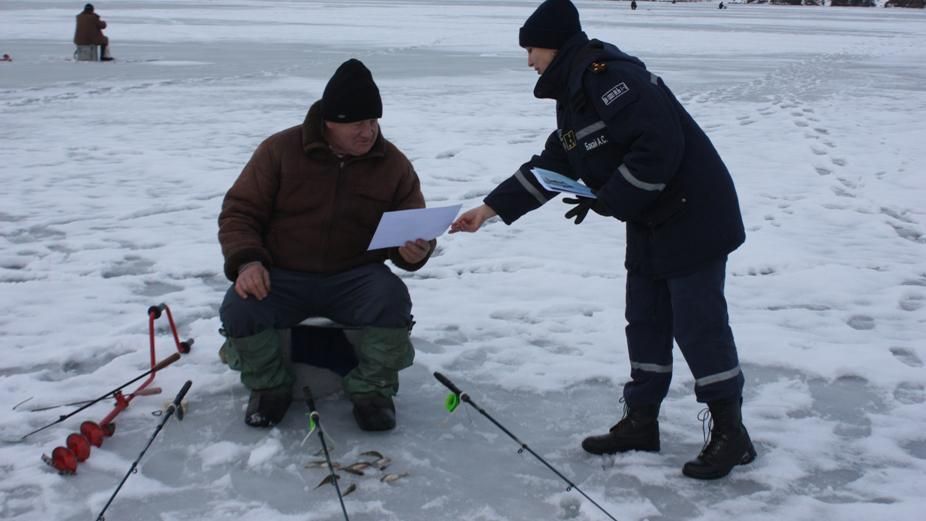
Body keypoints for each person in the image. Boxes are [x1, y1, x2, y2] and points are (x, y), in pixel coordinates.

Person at [450, 0, 755, 480]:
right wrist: (488, 211)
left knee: (699, 325)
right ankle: (642, 421)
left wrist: (612, 198)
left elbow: (659, 146)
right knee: (645, 319)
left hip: (694, 215)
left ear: (553, 44)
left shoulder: (611, 79)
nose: (528, 60)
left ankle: (731, 433)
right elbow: (556, 163)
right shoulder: (574, 95)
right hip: (653, 217)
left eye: (531, 49)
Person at [218, 58, 436, 432]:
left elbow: (410, 223)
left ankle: (372, 392)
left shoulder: (392, 164)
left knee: (392, 299)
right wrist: (248, 262)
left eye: (373, 122)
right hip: (281, 274)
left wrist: (413, 251)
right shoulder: (279, 151)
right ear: (330, 121)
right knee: (240, 307)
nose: (368, 133)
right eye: (358, 123)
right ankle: (270, 388)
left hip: (354, 275)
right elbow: (240, 212)